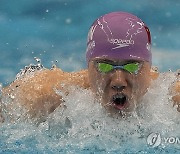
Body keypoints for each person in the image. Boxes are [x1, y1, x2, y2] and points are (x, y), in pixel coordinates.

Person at [1, 12, 180, 123]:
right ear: (88, 66)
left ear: (149, 67)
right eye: (104, 65)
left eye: (132, 65)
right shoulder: (51, 94)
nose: (118, 81)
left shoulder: (172, 98)